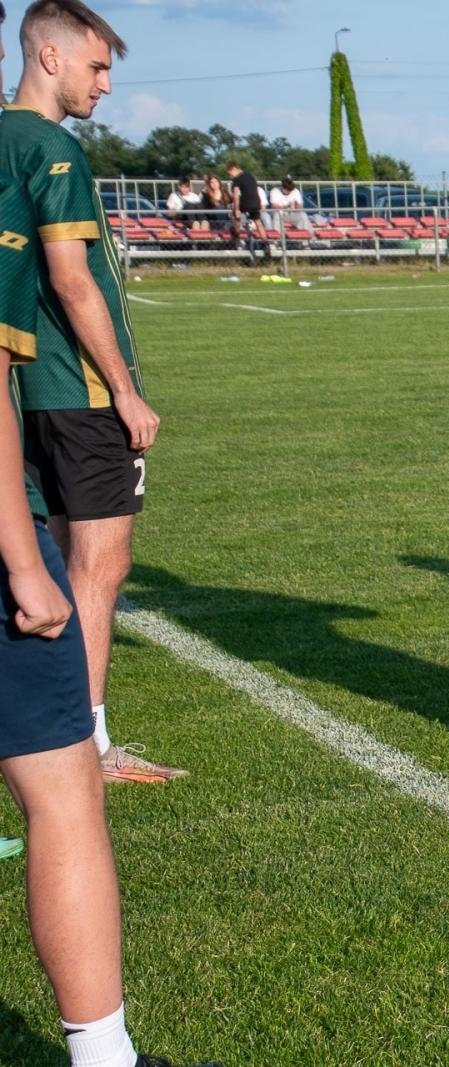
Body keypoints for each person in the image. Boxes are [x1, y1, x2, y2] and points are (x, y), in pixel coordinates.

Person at [0, 0, 185, 784]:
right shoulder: (53, 149)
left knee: (36, 561)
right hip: (80, 392)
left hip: (23, 395)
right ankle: (89, 745)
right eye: (97, 66)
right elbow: (75, 283)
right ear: (49, 58)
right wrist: (126, 391)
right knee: (97, 565)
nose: (105, 85)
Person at [225, 160, 264, 246]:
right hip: (256, 202)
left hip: (245, 202)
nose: (230, 177)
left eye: (230, 174)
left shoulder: (237, 180)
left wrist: (237, 209)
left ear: (234, 169)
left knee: (237, 217)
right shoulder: (250, 176)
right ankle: (265, 243)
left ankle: (236, 235)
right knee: (258, 221)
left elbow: (236, 196)